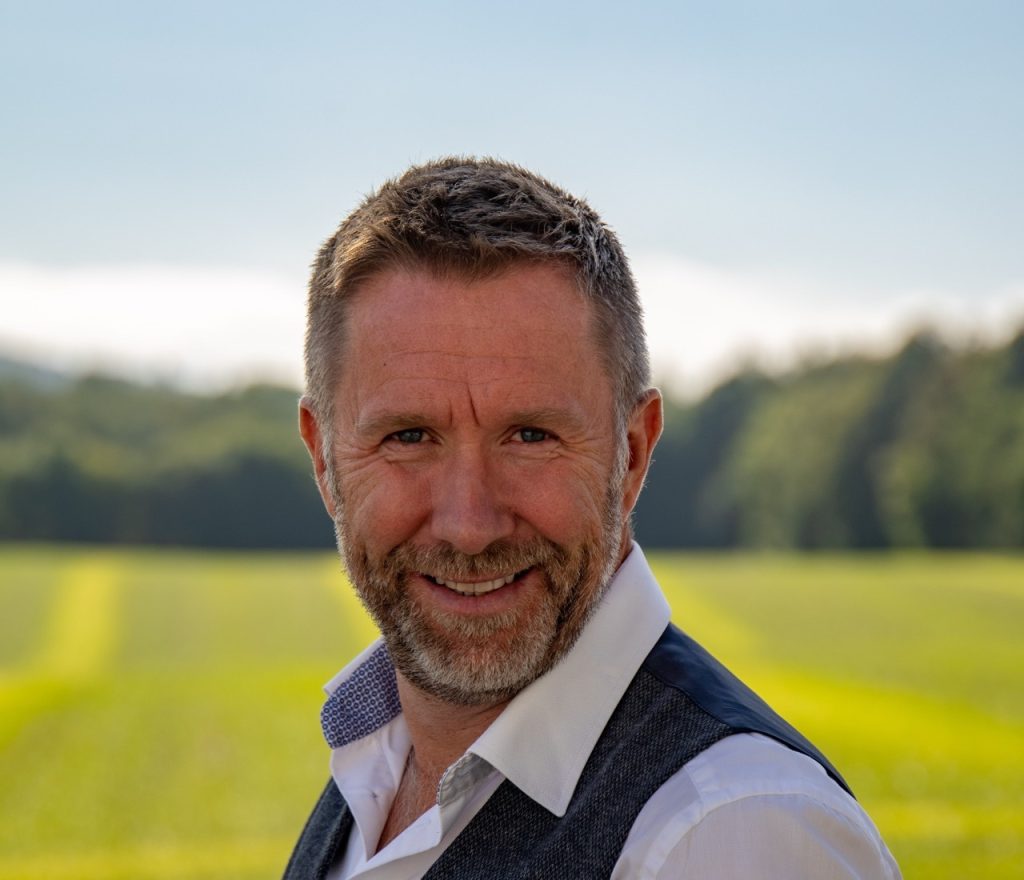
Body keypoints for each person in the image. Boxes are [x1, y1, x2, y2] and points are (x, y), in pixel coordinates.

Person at [287, 157, 901, 879]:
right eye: (409, 437)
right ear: (324, 460)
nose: (469, 525)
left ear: (632, 453)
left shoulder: (731, 830)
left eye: (530, 436)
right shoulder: (374, 766)